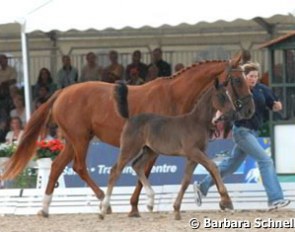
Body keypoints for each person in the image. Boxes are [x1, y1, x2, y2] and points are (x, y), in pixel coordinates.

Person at [194, 62, 290, 210]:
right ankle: (275, 199)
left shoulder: (262, 89)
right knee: (265, 160)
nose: (254, 79)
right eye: (251, 76)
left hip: (254, 132)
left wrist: (277, 106)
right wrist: (217, 116)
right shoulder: (237, 91)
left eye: (256, 76)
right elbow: (224, 105)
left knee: (230, 166)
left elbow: (274, 105)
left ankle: (202, 186)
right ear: (244, 77)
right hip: (242, 131)